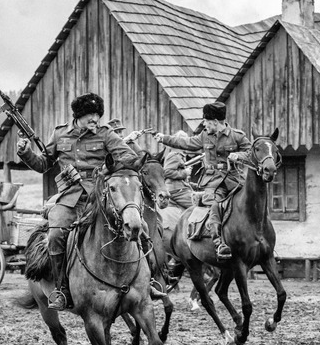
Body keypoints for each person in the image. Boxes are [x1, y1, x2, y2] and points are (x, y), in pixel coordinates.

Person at [17, 93, 138, 310]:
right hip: (70, 197)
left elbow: (129, 157)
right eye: (90, 115)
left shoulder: (106, 134)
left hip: (99, 197)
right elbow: (43, 164)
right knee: (55, 235)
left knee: (136, 222)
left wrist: (110, 168)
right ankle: (62, 289)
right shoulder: (60, 134)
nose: (95, 119)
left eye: (98, 115)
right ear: (78, 116)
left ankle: (149, 281)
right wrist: (26, 153)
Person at [154, 101, 251, 259]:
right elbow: (186, 142)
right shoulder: (205, 136)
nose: (204, 124)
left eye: (206, 121)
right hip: (214, 181)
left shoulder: (237, 136)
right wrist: (164, 138)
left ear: (215, 122)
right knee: (214, 205)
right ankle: (219, 243)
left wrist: (239, 155)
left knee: (252, 201)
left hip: (235, 179)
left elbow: (251, 152)